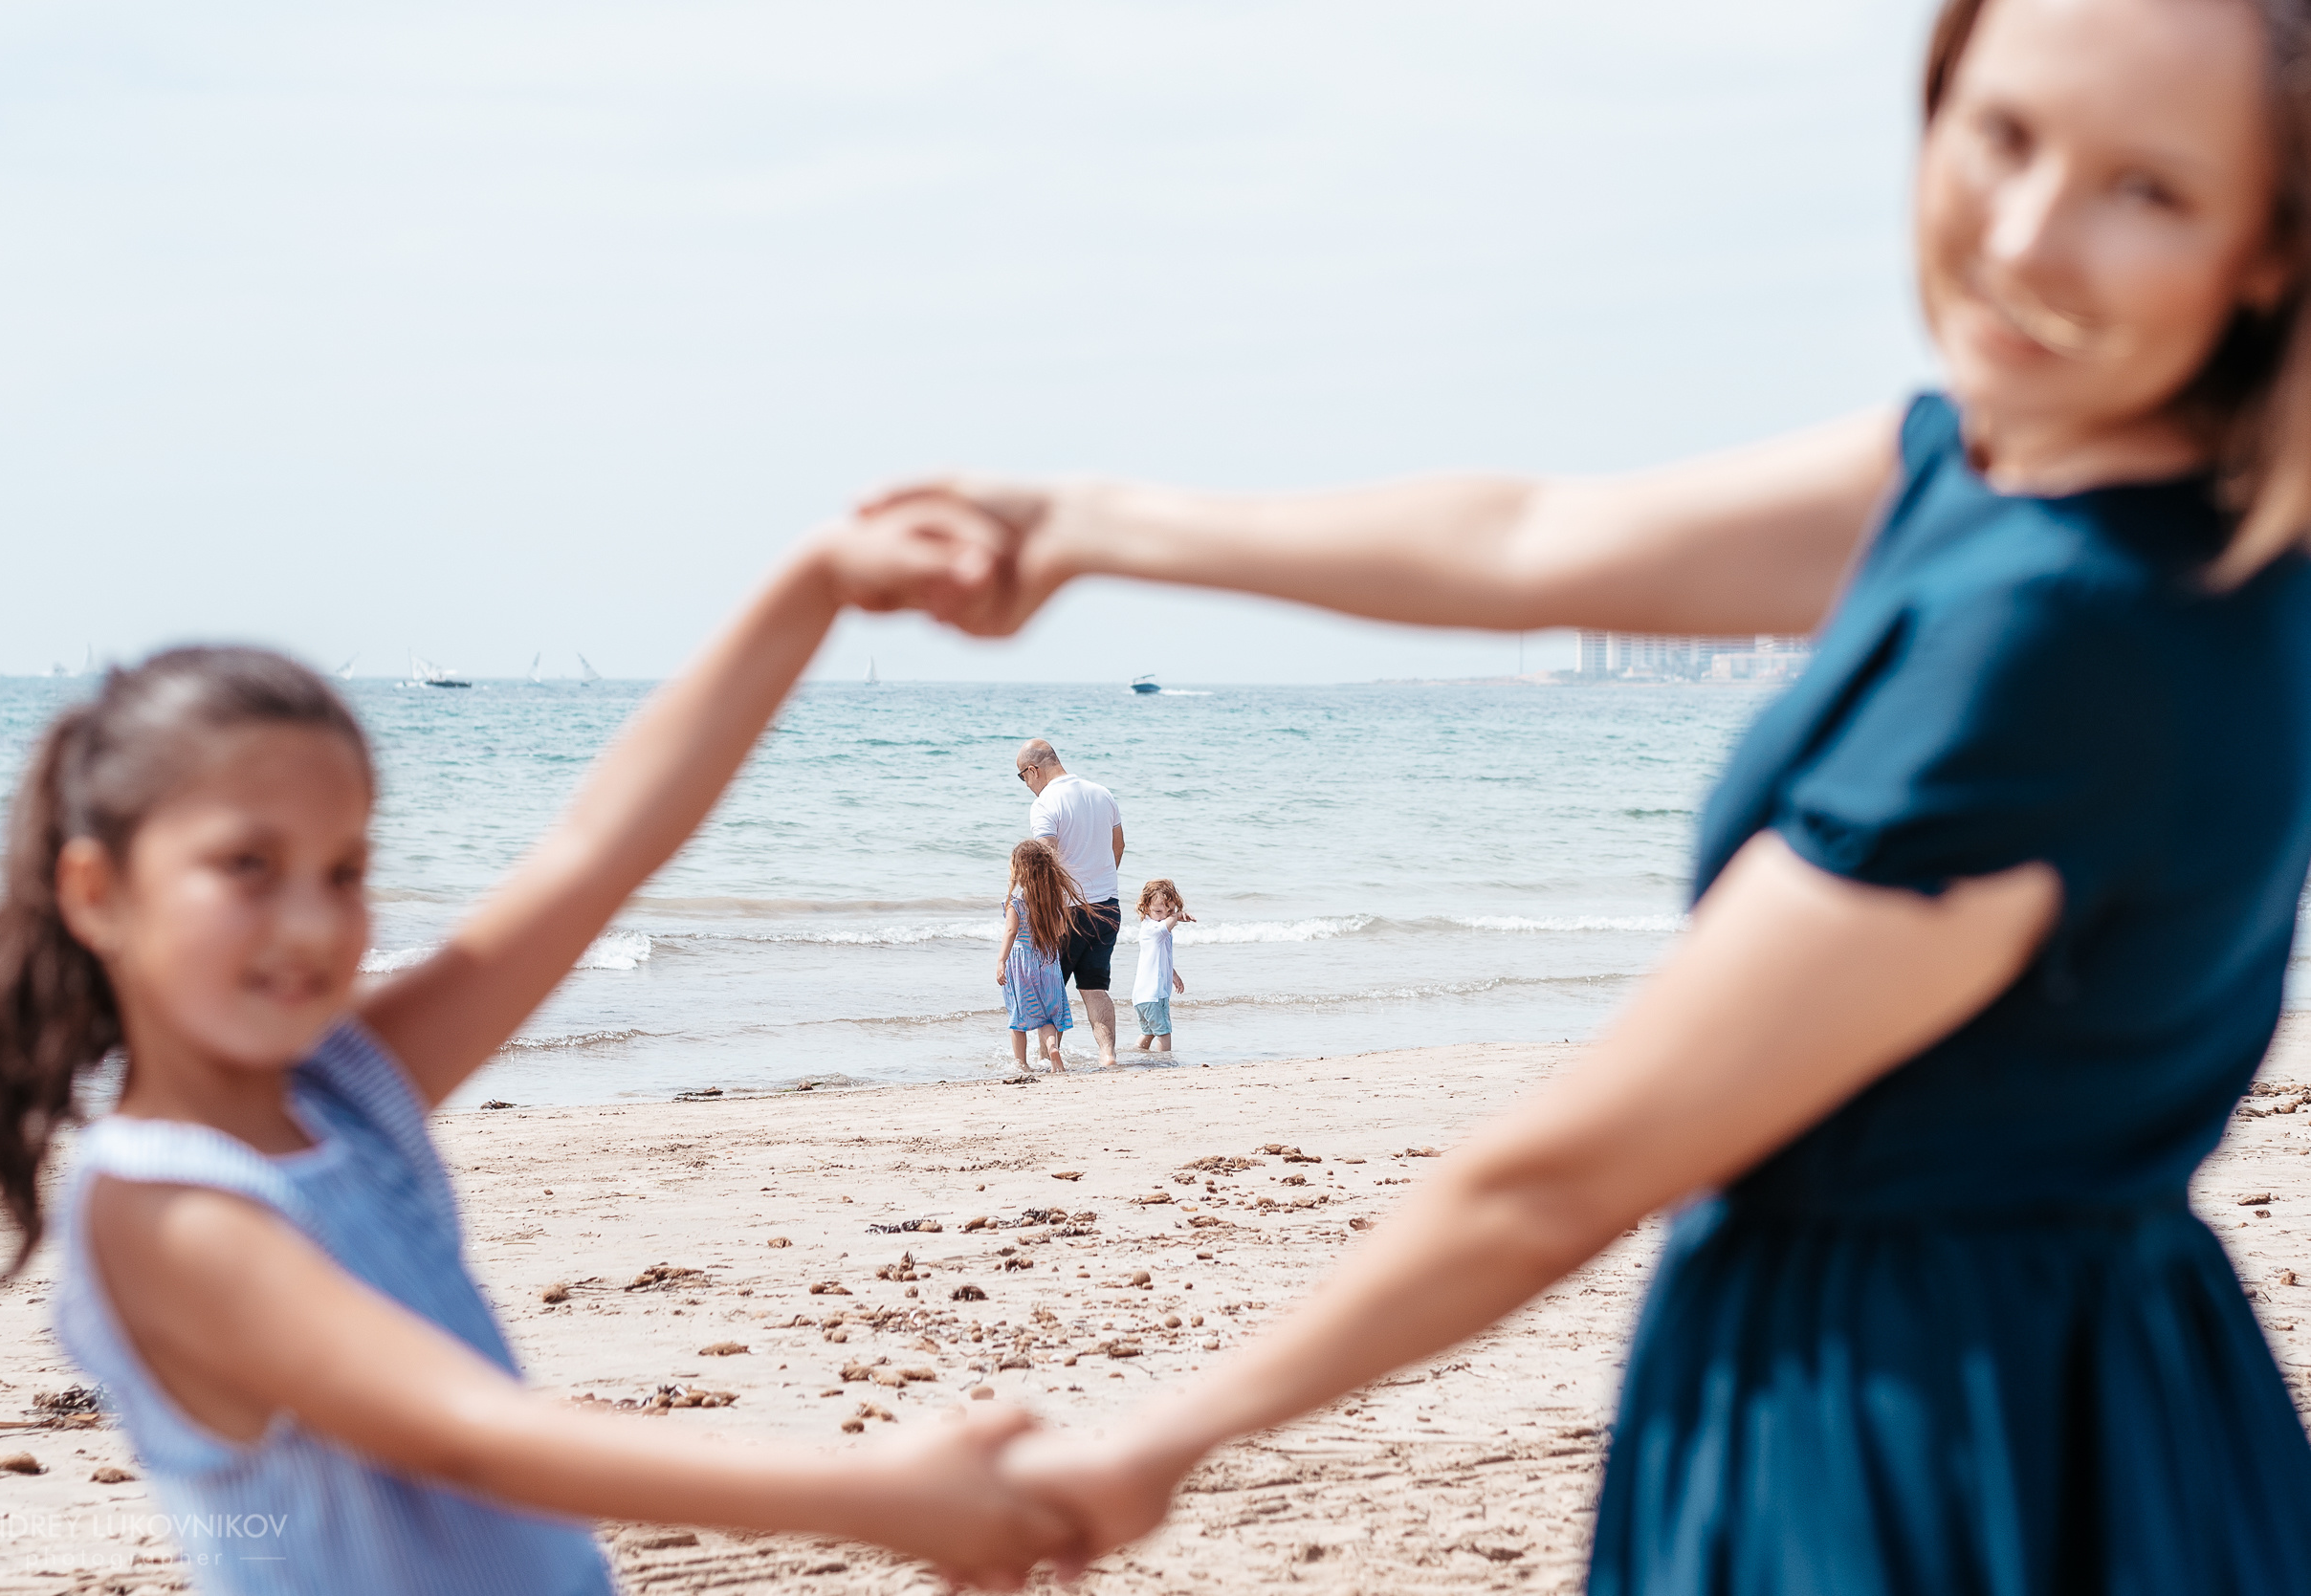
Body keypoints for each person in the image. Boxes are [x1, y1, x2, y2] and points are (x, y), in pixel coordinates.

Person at [865, 0, 2311, 1585]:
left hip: (1918, 1436)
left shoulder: (2060, 632)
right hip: (2107, 1384)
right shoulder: (2014, 477)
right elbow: (1533, 538)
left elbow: (1565, 1171)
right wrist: (1089, 522)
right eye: (2004, 134)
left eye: (2148, 189)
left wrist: (1157, 1438)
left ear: (2269, 242)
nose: (2026, 238)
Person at [0, 518, 1069, 1595]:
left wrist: (816, 582)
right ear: (97, 889)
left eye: (344, 871)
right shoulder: (156, 1209)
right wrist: (881, 1495)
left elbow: (595, 849)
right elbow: (468, 1434)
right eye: (246, 865)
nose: (314, 923)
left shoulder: (342, 1085)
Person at [1015, 739, 1124, 1067]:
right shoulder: (1101, 793)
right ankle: (1108, 1056)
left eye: (1022, 778)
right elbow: (1118, 846)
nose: (1026, 785)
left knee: (1051, 988)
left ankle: (1050, 1059)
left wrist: (1031, 907)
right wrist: (1097, 883)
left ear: (1033, 770)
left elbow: (1043, 860)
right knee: (1095, 987)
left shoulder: (1046, 803)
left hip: (1066, 911)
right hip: (1107, 906)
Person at [996, 839, 1078, 1073]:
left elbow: (1011, 932)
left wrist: (1001, 961)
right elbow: (1061, 930)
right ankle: (1053, 1050)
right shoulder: (1053, 900)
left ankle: (1021, 1064)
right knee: (1048, 1018)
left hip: (1022, 965)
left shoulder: (1016, 902)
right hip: (1049, 962)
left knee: (1018, 1018)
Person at [1130, 878, 1192, 1054]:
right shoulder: (1151, 930)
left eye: (1169, 910)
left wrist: (1174, 975)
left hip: (1144, 997)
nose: (1164, 915)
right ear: (1145, 908)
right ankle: (1164, 1061)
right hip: (1153, 996)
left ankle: (1137, 1054)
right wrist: (1176, 915)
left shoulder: (1158, 931)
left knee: (1148, 1032)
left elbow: (1160, 958)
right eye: (1158, 911)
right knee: (1164, 1033)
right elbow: (1166, 926)